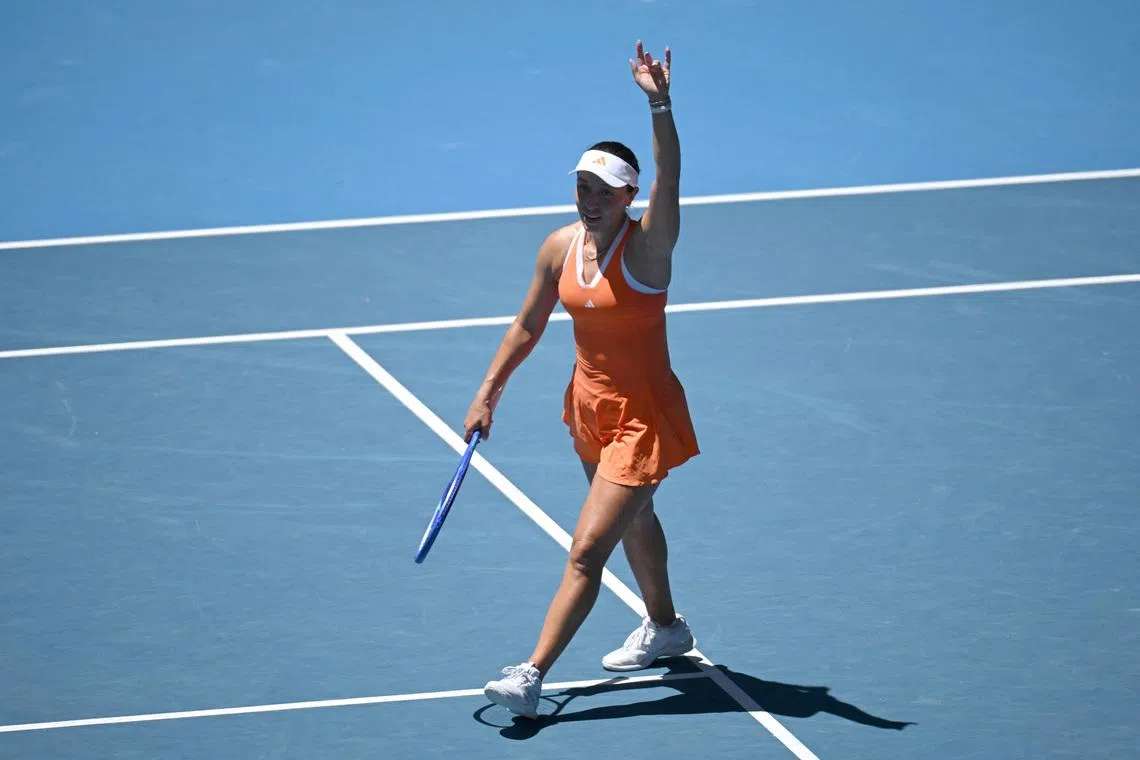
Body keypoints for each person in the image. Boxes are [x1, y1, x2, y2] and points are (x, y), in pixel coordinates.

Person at [465, 40, 699, 720]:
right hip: (589, 408)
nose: (589, 200)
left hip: (644, 418)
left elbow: (672, 175)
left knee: (586, 550)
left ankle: (530, 674)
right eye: (581, 188)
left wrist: (658, 100)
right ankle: (667, 628)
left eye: (603, 191)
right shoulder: (559, 246)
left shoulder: (648, 250)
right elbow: (527, 326)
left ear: (630, 196)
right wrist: (487, 393)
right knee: (637, 520)